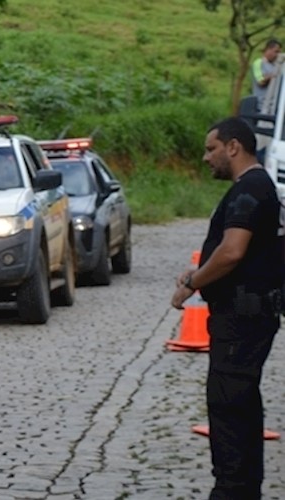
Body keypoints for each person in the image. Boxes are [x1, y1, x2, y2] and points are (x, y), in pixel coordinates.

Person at [170, 117, 284, 499]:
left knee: (230, 409)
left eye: (211, 148)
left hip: (242, 319)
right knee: (241, 406)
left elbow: (232, 251)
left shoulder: (250, 189)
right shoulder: (256, 186)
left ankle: (233, 490)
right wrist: (201, 270)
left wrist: (192, 283)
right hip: (247, 315)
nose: (206, 157)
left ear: (233, 146)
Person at [251, 39, 281, 111]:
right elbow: (260, 82)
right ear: (268, 50)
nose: (277, 55)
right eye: (275, 52)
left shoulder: (275, 65)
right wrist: (271, 76)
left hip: (274, 106)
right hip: (261, 106)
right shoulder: (258, 63)